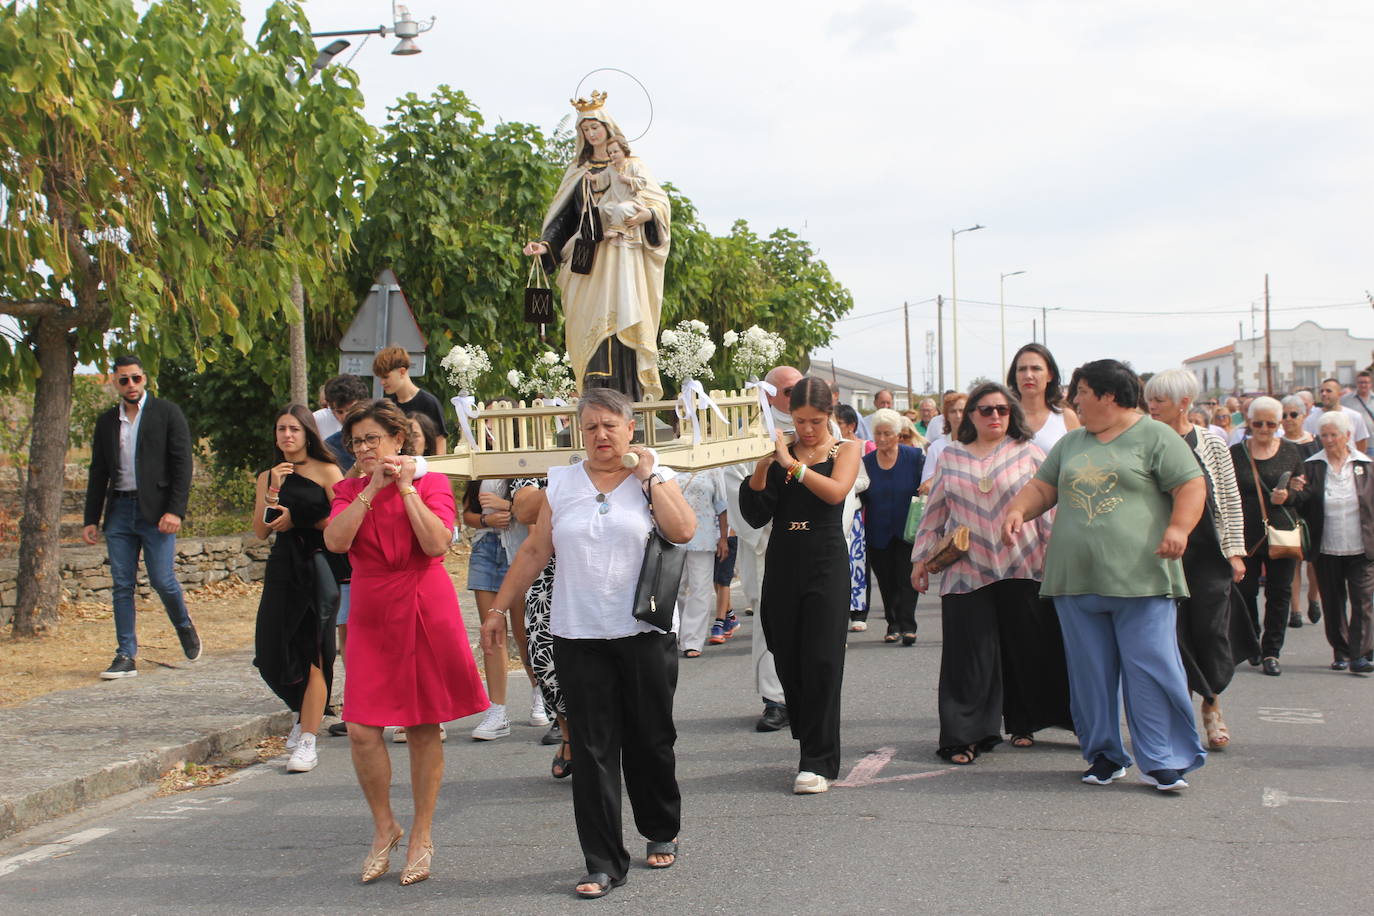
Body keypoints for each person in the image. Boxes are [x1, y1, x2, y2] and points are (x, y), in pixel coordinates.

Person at [485, 387, 694, 898]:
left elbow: (683, 530)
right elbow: (535, 550)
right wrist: (496, 609)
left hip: (644, 632)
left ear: (630, 429)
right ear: (580, 434)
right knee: (593, 748)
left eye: (611, 425)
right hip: (578, 634)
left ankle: (659, 828)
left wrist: (648, 478)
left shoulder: (655, 478)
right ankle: (602, 860)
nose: (601, 435)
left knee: (650, 739)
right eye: (591, 426)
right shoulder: (561, 484)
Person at [1003, 359, 1208, 791]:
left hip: (1143, 578)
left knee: (1151, 669)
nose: (1074, 400)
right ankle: (1104, 755)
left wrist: (1178, 528)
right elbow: (1044, 486)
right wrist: (1019, 509)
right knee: (1089, 674)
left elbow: (1190, 485)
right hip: (1075, 579)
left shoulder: (1157, 436)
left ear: (1107, 395)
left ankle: (1163, 759)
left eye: (1080, 392)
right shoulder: (1073, 442)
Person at [324, 399, 488, 886]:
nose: (365, 448)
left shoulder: (432, 483)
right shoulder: (347, 489)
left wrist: (406, 489)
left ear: (399, 439)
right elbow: (335, 541)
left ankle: (421, 831)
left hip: (423, 601)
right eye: (357, 441)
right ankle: (384, 826)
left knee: (421, 725)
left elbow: (437, 544)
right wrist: (371, 490)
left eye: (373, 438)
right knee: (361, 728)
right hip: (372, 608)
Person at [912, 383, 1069, 762]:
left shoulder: (1031, 453)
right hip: (967, 570)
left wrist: (1055, 557)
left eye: (1001, 409)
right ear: (971, 416)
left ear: (1011, 413)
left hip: (1025, 563)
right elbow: (933, 513)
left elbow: (1047, 509)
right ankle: (965, 734)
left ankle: (1025, 721)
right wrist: (919, 560)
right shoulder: (950, 456)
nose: (995, 416)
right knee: (969, 656)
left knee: (1027, 647)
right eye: (985, 410)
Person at [740, 377, 861, 795]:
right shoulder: (780, 452)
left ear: (830, 415)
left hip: (825, 559)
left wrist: (791, 465)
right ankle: (809, 736)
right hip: (784, 558)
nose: (807, 429)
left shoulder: (846, 448)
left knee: (823, 660)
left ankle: (817, 759)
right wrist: (760, 467)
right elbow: (756, 514)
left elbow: (835, 492)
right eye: (799, 420)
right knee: (787, 654)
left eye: (815, 421)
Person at [522, 93, 670, 401]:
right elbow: (564, 218)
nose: (591, 134)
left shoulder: (633, 167)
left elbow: (658, 204)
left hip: (623, 257)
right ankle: (595, 400)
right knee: (589, 327)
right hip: (586, 259)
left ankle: (629, 397)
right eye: (585, 129)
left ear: (608, 129)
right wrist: (546, 246)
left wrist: (648, 214)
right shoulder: (578, 171)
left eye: (596, 127)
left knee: (624, 318)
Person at [1144, 370, 1255, 750]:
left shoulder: (1212, 442)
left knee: (1211, 631)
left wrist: (1235, 551)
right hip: (1163, 553)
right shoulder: (1145, 441)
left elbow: (1229, 497)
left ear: (1184, 404)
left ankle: (1211, 699)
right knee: (1170, 637)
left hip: (1208, 553)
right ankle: (1196, 713)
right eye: (1150, 399)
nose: (1152, 406)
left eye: (1160, 400)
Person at [82, 356, 200, 679]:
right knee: (122, 584)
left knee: (162, 579)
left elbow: (182, 466)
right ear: (114, 382)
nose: (131, 385)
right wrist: (91, 518)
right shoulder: (107, 422)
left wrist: (175, 510)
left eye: (135, 378)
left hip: (157, 511)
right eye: (123, 380)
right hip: (119, 511)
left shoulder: (166, 413)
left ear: (144, 378)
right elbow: (98, 472)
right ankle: (125, 654)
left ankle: (183, 623)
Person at [251, 405, 347, 773]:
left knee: (314, 652)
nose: (287, 436)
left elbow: (341, 520)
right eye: (280, 429)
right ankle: (304, 709)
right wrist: (273, 490)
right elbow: (261, 531)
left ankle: (307, 736)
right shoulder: (268, 476)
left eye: (293, 429)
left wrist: (301, 518)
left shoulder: (327, 469)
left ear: (308, 432)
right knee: (269, 653)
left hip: (318, 566)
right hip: (282, 565)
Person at [723, 364, 802, 732]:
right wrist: (769, 528)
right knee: (771, 622)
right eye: (789, 391)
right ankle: (775, 698)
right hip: (768, 545)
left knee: (813, 622)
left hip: (812, 543)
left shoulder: (820, 425)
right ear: (769, 394)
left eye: (801, 389)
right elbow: (736, 486)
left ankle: (807, 695)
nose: (797, 397)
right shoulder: (749, 434)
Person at [1231, 396, 1310, 675]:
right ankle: (1252, 641)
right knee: (1245, 591)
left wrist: (1288, 496)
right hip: (1245, 534)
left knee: (1280, 592)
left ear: (1279, 424)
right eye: (1258, 423)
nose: (1264, 428)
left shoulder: (1290, 452)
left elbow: (1305, 493)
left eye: (1270, 423)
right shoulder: (1236, 452)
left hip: (1281, 532)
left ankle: (1271, 651)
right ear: (1249, 423)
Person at [462, 477, 545, 739]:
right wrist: (487, 520)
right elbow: (468, 514)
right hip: (486, 547)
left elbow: (539, 513)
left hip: (521, 547)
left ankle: (540, 694)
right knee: (492, 631)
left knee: (523, 633)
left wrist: (507, 507)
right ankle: (496, 712)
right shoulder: (480, 465)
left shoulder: (523, 462)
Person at [1300, 412, 1374, 673]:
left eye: (1334, 435)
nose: (1329, 440)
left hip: (1361, 546)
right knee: (1333, 601)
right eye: (1325, 435)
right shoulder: (1311, 466)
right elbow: (1303, 504)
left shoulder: (1366, 465)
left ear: (1348, 436)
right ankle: (1341, 651)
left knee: (1363, 600)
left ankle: (1360, 654)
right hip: (1327, 545)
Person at [510, 477, 573, 775]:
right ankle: (568, 731)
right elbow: (523, 510)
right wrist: (578, 481)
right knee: (546, 662)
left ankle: (606, 742)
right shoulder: (540, 465)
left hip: (603, 570)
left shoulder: (618, 454)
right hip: (548, 573)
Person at [861, 408, 924, 644]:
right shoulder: (866, 462)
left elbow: (926, 487)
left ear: (898, 435)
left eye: (887, 433)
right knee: (886, 581)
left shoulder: (914, 458)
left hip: (908, 530)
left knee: (906, 579)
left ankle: (908, 625)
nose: (882, 438)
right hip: (878, 532)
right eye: (878, 433)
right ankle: (892, 623)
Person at [674, 466, 730, 657]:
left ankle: (692, 641)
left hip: (703, 536)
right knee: (675, 588)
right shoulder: (669, 466)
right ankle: (678, 633)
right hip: (673, 536)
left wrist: (723, 537)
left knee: (700, 589)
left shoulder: (713, 469)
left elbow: (722, 506)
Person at [1280, 394, 1323, 628]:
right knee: (1293, 557)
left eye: (1293, 415)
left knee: (1314, 558)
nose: (1288, 419)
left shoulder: (1315, 442)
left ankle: (1313, 598)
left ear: (1303, 416)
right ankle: (1295, 610)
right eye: (1284, 415)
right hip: (1290, 505)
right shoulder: (1280, 445)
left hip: (1313, 504)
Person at [836, 404, 873, 631]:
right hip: (829, 515)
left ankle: (859, 612)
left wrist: (842, 486)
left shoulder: (851, 449)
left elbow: (864, 480)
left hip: (853, 513)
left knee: (856, 563)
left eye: (838, 423)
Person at [1006, 342, 1081, 453]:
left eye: (1036, 368)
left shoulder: (1065, 417)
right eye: (1022, 369)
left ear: (1050, 375)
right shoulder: (1003, 416)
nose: (1028, 375)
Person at [373, 345, 449, 454]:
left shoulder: (429, 403)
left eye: (386, 377)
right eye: (380, 378)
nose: (382, 382)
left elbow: (440, 444)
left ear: (402, 372)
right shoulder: (388, 406)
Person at [919, 392, 967, 493]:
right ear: (946, 416)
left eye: (962, 411)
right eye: (953, 411)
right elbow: (926, 486)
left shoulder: (979, 445)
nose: (958, 416)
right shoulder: (937, 447)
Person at [321, 375, 370, 471]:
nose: (345, 416)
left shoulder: (385, 435)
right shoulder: (330, 447)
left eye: (351, 409)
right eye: (339, 412)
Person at [1305, 377, 1369, 452]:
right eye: (1321, 391)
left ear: (1339, 394)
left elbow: (1361, 445)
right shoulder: (1310, 419)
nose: (1324, 394)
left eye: (1328, 391)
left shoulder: (1355, 417)